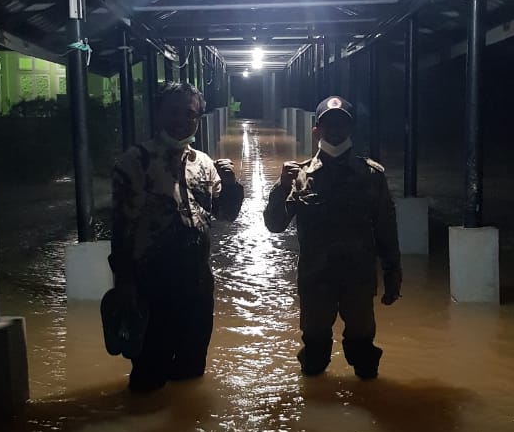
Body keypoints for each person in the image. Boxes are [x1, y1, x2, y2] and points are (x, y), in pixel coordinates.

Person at [110, 81, 244, 392]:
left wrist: (232, 183)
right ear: (158, 113)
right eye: (174, 112)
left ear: (198, 118)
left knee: (192, 368)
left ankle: (184, 430)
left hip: (196, 280)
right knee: (149, 372)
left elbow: (226, 215)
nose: (182, 120)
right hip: (151, 281)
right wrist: (124, 283)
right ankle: (144, 430)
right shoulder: (135, 161)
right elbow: (121, 227)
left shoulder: (204, 163)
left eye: (190, 114)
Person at [264, 95, 401, 379]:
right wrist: (281, 186)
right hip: (316, 280)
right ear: (317, 131)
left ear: (350, 129)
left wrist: (392, 273)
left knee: (364, 351)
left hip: (359, 279)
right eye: (329, 124)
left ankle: (369, 405)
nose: (335, 129)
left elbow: (386, 227)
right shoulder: (299, 175)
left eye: (341, 123)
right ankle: (313, 409)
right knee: (314, 352)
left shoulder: (371, 175)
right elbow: (275, 224)